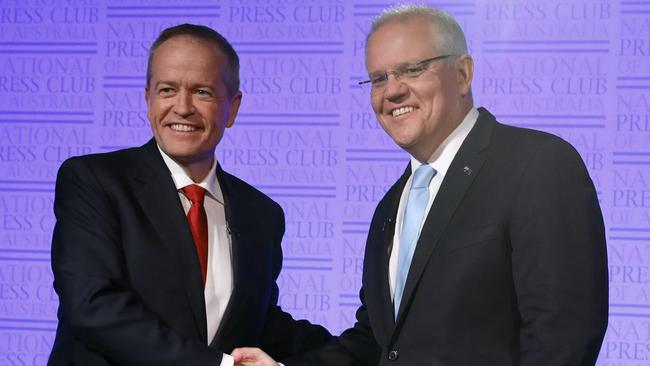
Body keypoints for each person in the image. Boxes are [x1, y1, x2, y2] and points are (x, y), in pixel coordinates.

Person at [232, 4, 608, 366]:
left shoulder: (536, 164)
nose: (392, 91)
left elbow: (563, 334)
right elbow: (377, 342)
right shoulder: (391, 205)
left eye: (411, 70)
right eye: (378, 78)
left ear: (463, 74)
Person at [48, 24, 331, 366]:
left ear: (233, 107)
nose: (182, 108)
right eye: (167, 90)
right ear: (148, 100)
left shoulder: (261, 214)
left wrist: (368, 349)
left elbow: (258, 324)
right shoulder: (94, 181)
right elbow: (93, 305)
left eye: (202, 92)